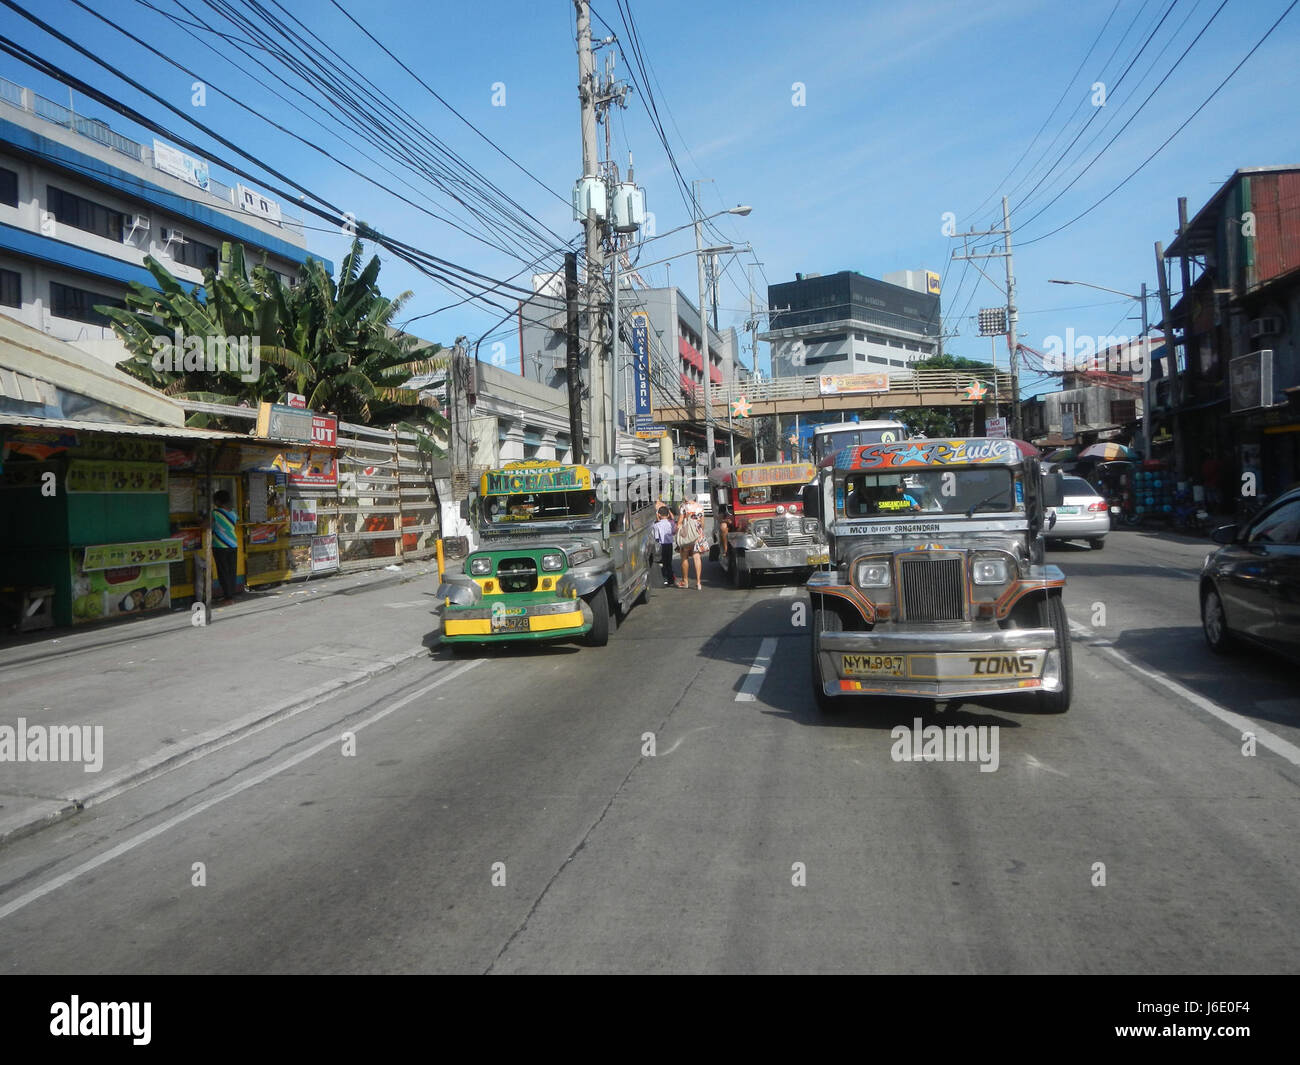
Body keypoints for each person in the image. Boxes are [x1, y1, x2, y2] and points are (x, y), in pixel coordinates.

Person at [211, 489, 239, 605]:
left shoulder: (215, 513)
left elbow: (206, 525)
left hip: (220, 546)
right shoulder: (233, 513)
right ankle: (230, 595)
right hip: (233, 544)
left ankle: (228, 598)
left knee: (223, 572)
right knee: (231, 571)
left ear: (217, 501)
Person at [675, 498, 705, 589]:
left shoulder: (684, 507)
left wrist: (678, 531)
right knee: (697, 557)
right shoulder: (700, 507)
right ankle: (699, 582)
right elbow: (703, 524)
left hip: (687, 535)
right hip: (697, 534)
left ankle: (685, 581)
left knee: (684, 557)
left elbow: (679, 523)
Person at [653, 506, 677, 587]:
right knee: (669, 562)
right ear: (668, 515)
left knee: (662, 563)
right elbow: (674, 532)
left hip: (661, 545)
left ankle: (664, 579)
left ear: (659, 515)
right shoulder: (671, 523)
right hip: (669, 545)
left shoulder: (657, 525)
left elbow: (656, 537)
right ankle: (671, 580)